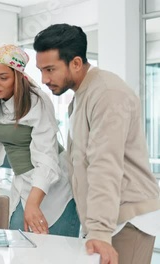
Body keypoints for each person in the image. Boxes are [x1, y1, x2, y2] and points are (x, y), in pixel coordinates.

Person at [34, 23, 160, 264]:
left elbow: (105, 164)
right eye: (41, 70)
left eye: (50, 69)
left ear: (77, 63)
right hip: (109, 219)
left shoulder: (107, 94)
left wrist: (100, 230)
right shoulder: (82, 96)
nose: (44, 79)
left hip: (128, 219)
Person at [0, 44, 79, 237]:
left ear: (17, 76)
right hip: (23, 182)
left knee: (56, 251)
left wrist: (33, 203)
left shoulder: (37, 102)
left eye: (3, 77)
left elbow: (47, 159)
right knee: (20, 242)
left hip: (53, 185)